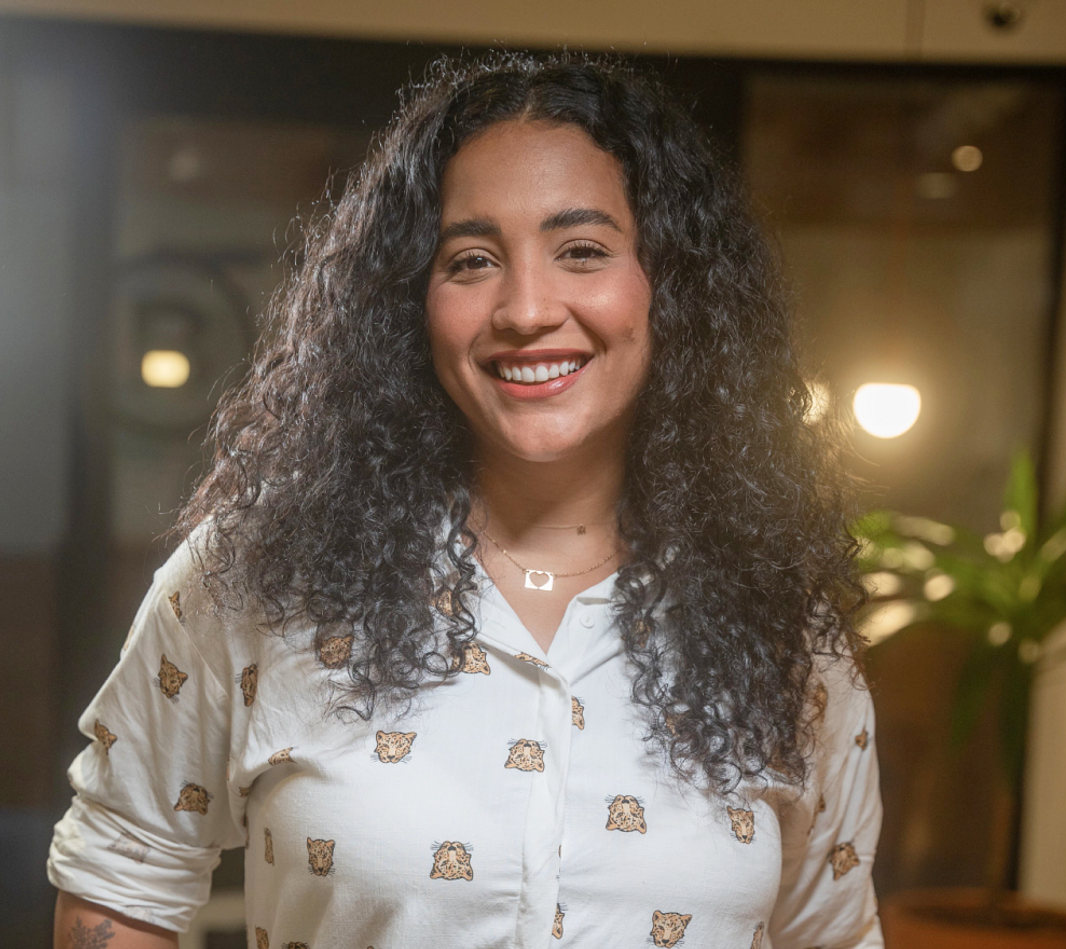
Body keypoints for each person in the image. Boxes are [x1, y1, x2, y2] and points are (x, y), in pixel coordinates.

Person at [49, 52, 883, 949]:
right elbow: (122, 875)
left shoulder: (783, 630)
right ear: (412, 301)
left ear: (668, 286)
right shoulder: (256, 573)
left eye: (583, 251)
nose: (526, 307)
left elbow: (829, 932)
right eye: (472, 259)